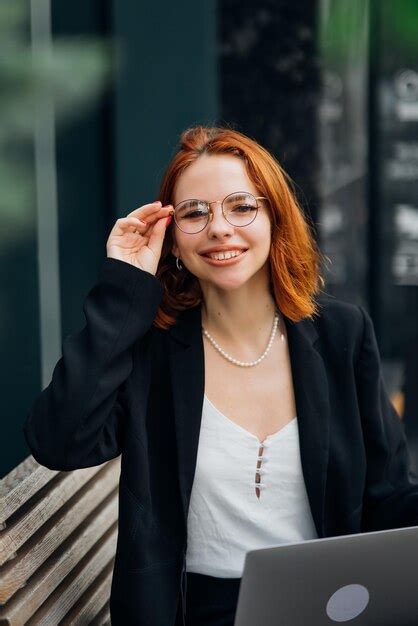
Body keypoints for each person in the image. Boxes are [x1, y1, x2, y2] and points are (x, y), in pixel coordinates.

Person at [23, 126, 418, 626]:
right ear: (172, 240)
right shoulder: (151, 353)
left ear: (274, 214)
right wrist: (125, 286)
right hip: (195, 614)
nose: (220, 228)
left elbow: (387, 495)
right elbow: (59, 441)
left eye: (241, 206)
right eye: (195, 213)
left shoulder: (341, 335)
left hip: (329, 606)